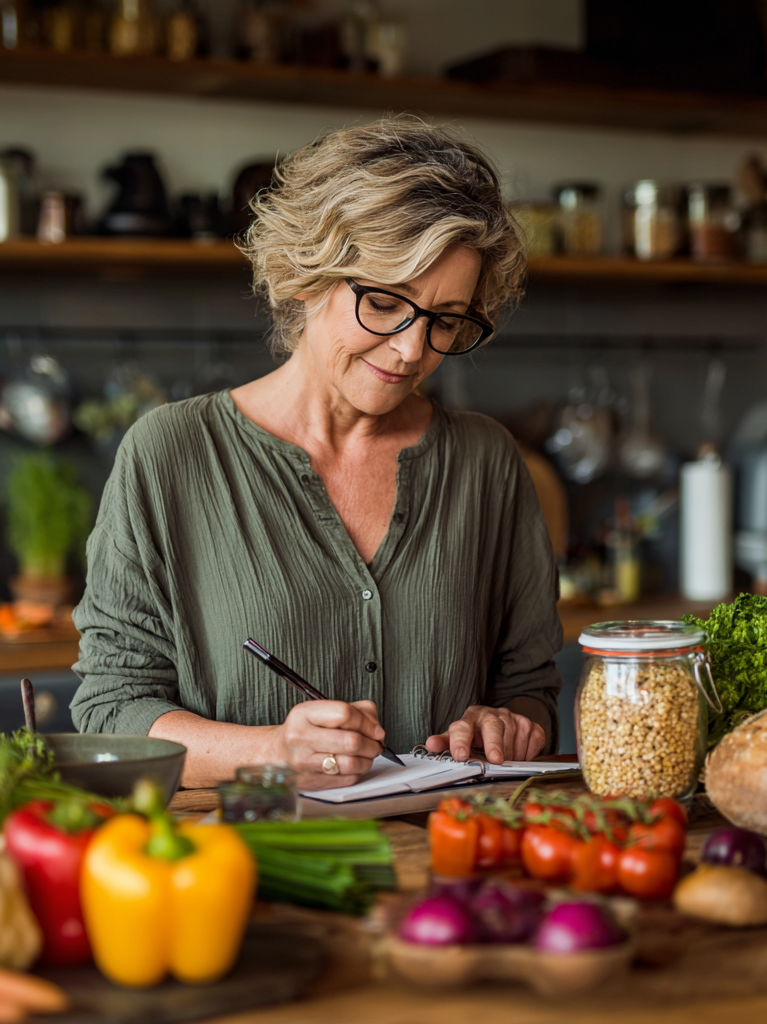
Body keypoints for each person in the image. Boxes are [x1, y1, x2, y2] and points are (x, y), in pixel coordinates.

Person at [71, 116, 563, 790]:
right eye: (384, 302)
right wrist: (273, 750)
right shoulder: (170, 455)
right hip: (249, 848)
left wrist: (510, 723)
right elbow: (109, 711)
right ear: (307, 275)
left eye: (447, 320)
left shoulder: (488, 462)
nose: (411, 350)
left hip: (454, 850)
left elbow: (531, 688)